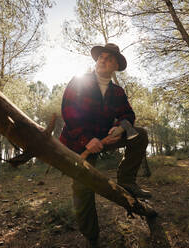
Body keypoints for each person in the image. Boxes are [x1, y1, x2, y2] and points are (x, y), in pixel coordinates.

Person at [59, 43, 151, 248]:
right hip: (78, 142)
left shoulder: (117, 92)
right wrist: (87, 140)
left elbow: (129, 115)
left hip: (105, 139)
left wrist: (119, 128)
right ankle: (92, 237)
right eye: (101, 56)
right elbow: (69, 113)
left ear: (115, 66)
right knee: (82, 186)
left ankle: (127, 180)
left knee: (141, 135)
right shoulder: (79, 81)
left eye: (109, 58)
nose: (103, 60)